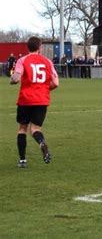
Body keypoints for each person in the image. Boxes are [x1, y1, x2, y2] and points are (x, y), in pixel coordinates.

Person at [10, 37, 59, 168]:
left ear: (28, 47)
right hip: (42, 99)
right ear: (40, 47)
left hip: (26, 99)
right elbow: (55, 83)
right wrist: (43, 89)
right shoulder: (48, 62)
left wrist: (12, 79)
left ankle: (22, 160)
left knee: (22, 128)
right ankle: (41, 142)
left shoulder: (22, 60)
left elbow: (16, 78)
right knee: (35, 129)